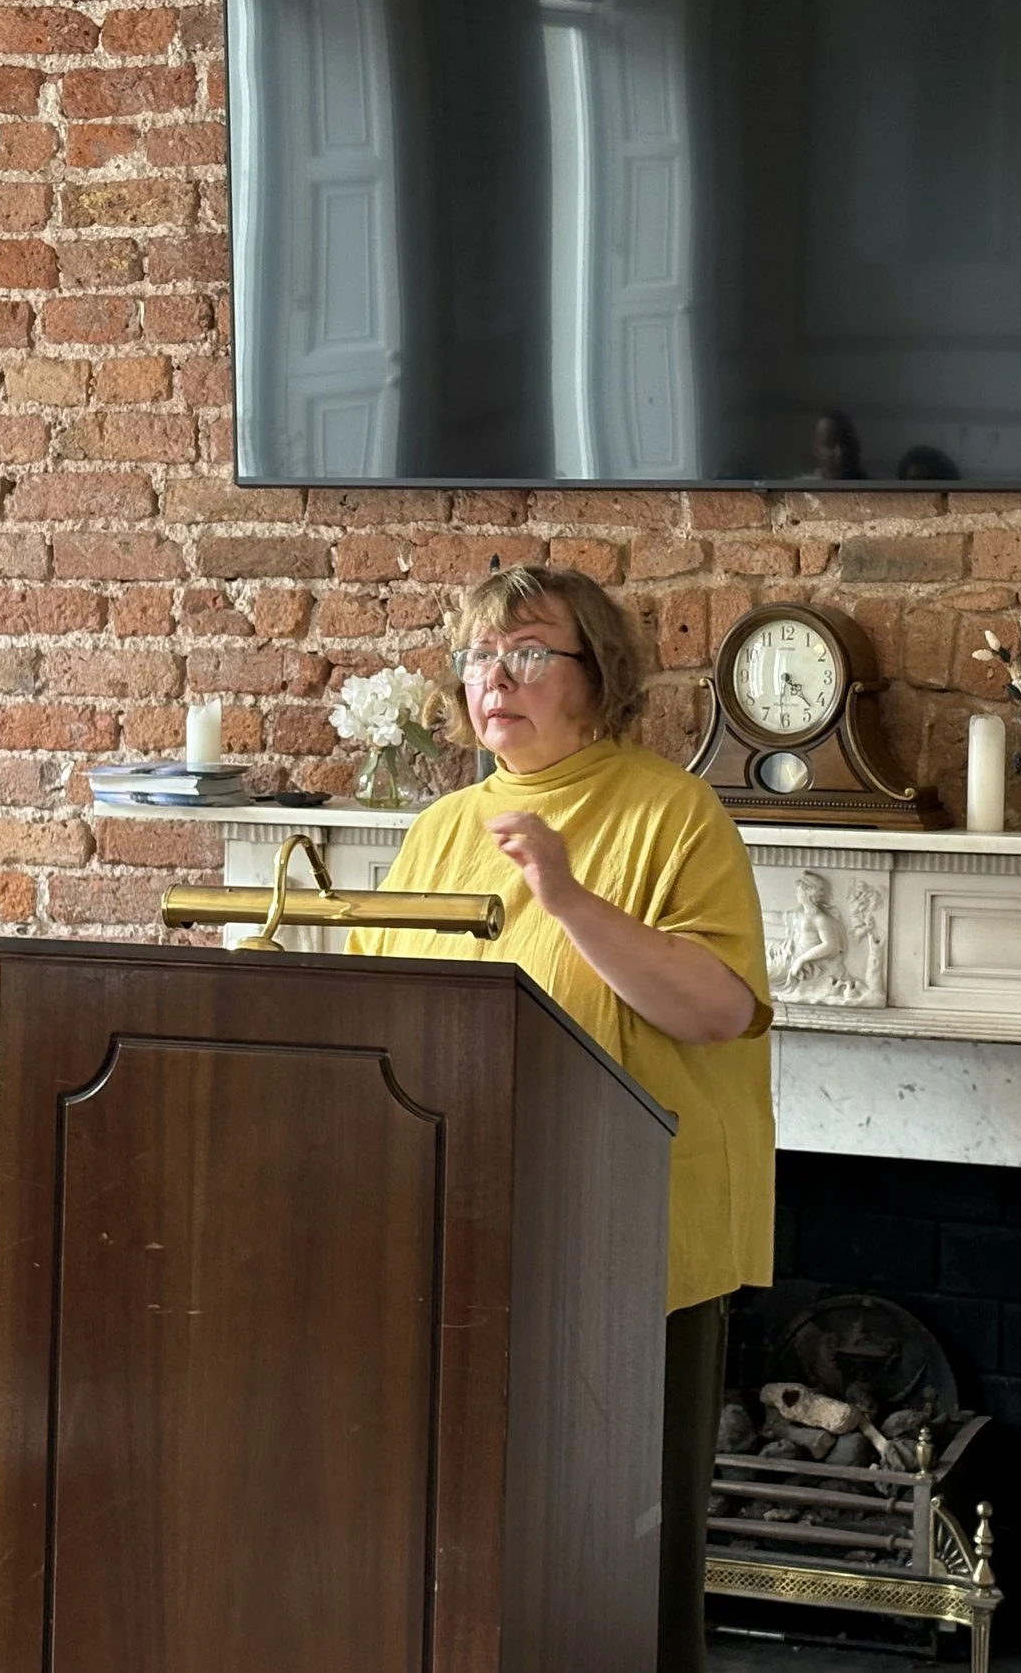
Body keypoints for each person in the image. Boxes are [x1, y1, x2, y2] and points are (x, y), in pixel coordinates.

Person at [349, 564, 773, 1673]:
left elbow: (720, 1009)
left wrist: (570, 900)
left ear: (600, 676)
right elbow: (376, 1008)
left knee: (623, 1557)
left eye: (528, 653)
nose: (498, 678)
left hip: (636, 1246)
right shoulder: (441, 827)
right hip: (464, 1234)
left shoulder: (673, 814)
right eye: (481, 657)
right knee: (483, 1548)